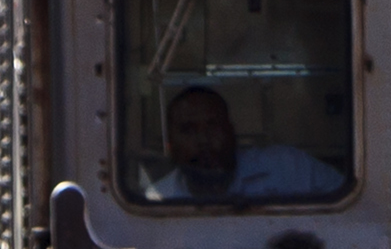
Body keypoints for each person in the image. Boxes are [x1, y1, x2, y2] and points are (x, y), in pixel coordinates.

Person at [147, 83, 346, 202]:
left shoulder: (289, 167)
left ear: (232, 132)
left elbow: (353, 213)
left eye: (213, 126)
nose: (203, 140)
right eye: (188, 130)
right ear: (170, 145)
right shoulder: (157, 200)